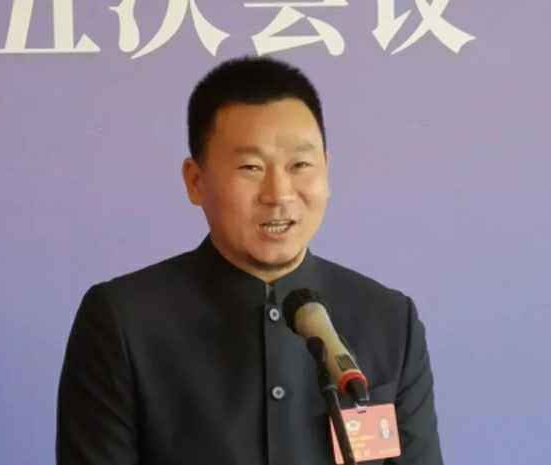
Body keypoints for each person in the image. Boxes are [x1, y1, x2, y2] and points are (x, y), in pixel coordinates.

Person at [56, 56, 443, 465]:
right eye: (251, 167)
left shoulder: (389, 320)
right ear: (195, 181)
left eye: (300, 165)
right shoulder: (123, 321)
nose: (279, 194)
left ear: (327, 170)